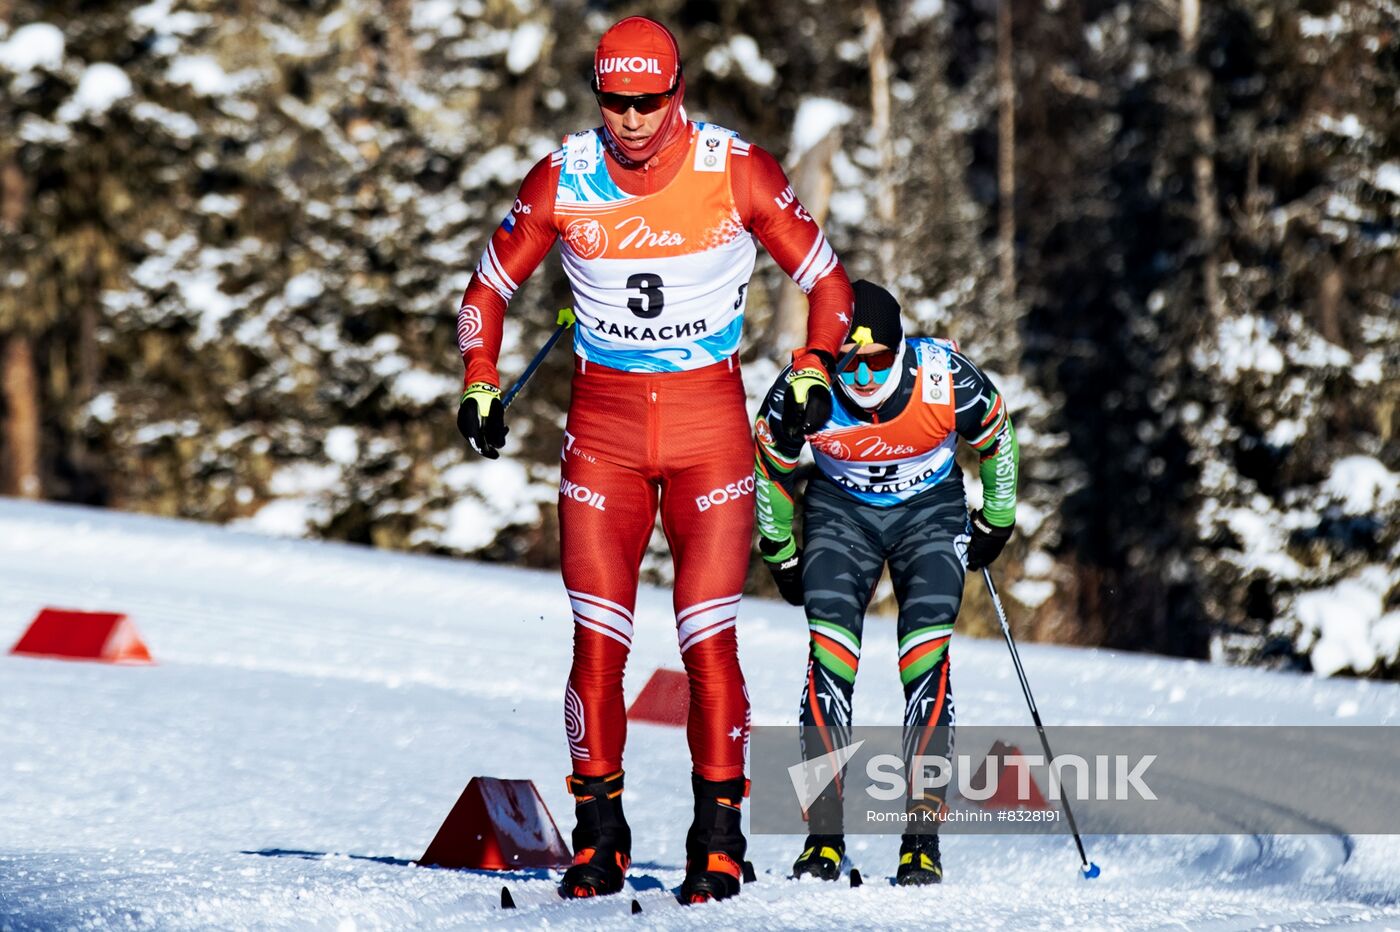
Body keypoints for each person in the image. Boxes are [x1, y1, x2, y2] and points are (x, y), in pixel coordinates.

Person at [453, 16, 854, 902]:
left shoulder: (734, 167)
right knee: (598, 642)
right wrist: (481, 376)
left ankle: (720, 837)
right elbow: (488, 286)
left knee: (706, 640)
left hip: (710, 433)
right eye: (614, 100)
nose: (631, 119)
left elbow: (828, 283)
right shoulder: (565, 175)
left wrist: (814, 367)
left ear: (678, 92)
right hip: (604, 434)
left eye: (649, 100)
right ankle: (600, 836)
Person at [752, 280, 1019, 885]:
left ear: (900, 350)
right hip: (841, 515)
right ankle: (823, 838)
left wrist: (997, 518)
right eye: (850, 361)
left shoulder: (943, 375)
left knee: (924, 661)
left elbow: (996, 437)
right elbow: (769, 466)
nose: (865, 376)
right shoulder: (804, 387)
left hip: (930, 513)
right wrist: (780, 550)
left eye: (877, 360)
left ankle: (921, 840)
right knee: (830, 661)